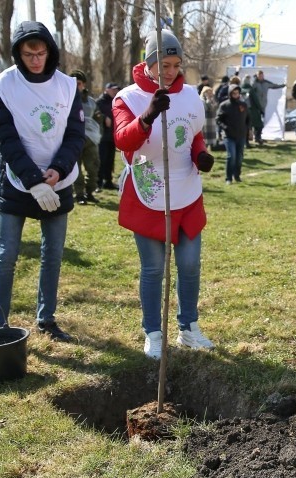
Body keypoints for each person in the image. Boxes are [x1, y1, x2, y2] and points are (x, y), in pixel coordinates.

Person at [112, 29, 215, 359]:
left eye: (176, 64)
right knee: (154, 269)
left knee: (189, 264)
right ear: (148, 63)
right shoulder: (127, 98)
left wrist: (200, 154)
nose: (170, 72)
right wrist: (149, 115)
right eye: (163, 65)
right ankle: (153, 334)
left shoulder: (190, 94)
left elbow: (191, 133)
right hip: (149, 193)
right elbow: (124, 140)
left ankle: (188, 328)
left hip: (186, 190)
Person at [0, 21, 85, 342]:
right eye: (29, 54)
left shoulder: (67, 86)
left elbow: (74, 135)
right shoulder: (3, 86)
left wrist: (57, 169)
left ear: (50, 51)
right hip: (17, 179)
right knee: (7, 253)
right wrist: (32, 179)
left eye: (41, 52)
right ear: (18, 53)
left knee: (53, 252)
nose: (36, 59)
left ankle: (46, 318)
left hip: (57, 179)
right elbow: (6, 137)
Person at [69, 70, 102, 204]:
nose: (77, 87)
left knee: (93, 167)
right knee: (75, 169)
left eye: (79, 84)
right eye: (74, 84)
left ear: (83, 85)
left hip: (90, 139)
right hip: (72, 139)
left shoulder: (91, 102)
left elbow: (97, 118)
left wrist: (100, 121)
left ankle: (90, 192)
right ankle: (79, 194)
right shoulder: (64, 99)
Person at [217, 83, 249, 184]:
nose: (236, 95)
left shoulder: (243, 105)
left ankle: (237, 176)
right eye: (234, 93)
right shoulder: (224, 105)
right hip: (229, 136)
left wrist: (247, 129)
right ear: (230, 94)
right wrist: (225, 128)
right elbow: (218, 119)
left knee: (239, 158)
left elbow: (248, 118)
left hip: (241, 135)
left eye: (237, 93)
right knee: (231, 156)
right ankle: (228, 178)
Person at [95, 82, 120, 190]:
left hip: (112, 136)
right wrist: (104, 117)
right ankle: (98, 182)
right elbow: (95, 114)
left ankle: (108, 181)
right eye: (113, 89)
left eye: (116, 90)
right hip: (102, 136)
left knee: (110, 160)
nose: (115, 91)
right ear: (107, 90)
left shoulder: (116, 102)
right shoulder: (99, 102)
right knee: (101, 160)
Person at [251, 70, 286, 142]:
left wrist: (283, 85)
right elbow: (251, 91)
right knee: (257, 122)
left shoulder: (266, 83)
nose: (261, 77)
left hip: (263, 106)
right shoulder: (255, 84)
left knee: (262, 122)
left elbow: (274, 86)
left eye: (262, 76)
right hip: (256, 106)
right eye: (260, 76)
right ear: (257, 76)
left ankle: (258, 136)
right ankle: (257, 137)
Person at [241, 74, 262, 147]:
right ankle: (257, 138)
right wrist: (260, 109)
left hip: (241, 110)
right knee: (259, 125)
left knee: (246, 127)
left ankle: (246, 142)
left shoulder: (240, 89)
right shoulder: (251, 90)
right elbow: (256, 100)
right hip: (252, 110)